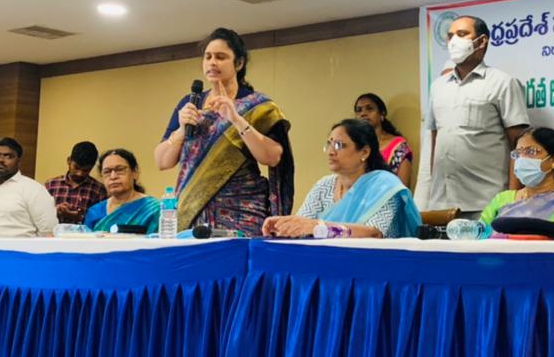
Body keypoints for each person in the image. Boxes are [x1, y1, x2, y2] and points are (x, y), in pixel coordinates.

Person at [155, 28, 294, 236]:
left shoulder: (258, 106)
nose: (212, 63)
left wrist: (236, 120)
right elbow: (162, 162)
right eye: (208, 57)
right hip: (193, 212)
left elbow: (273, 157)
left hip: (241, 214)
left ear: (239, 63)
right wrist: (181, 131)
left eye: (220, 57)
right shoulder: (189, 104)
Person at [425, 15, 530, 216]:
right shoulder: (437, 87)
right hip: (442, 203)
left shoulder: (502, 83)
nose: (454, 41)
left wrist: (511, 199)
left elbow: (519, 145)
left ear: (481, 41)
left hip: (485, 203)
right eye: (450, 36)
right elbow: (436, 141)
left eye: (462, 34)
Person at [263, 118, 420, 238]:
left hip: (375, 264)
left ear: (365, 152)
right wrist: (284, 224)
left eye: (339, 145)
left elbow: (373, 233)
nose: (331, 152)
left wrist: (319, 227)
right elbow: (304, 224)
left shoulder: (384, 186)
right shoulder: (324, 186)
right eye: (329, 144)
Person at [479, 126, 554, 226]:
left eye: (531, 152)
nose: (522, 159)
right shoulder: (502, 200)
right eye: (518, 154)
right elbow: (478, 232)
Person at [83, 148, 161, 234]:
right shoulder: (95, 212)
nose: (113, 177)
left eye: (120, 170)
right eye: (107, 172)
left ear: (135, 173)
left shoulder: (153, 209)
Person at [354, 92, 414, 188]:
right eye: (359, 110)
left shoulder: (399, 147)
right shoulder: (354, 146)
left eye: (369, 108)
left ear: (382, 114)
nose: (363, 113)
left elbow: (403, 189)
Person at [43, 140, 107, 225]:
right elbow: (39, 215)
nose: (80, 173)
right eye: (76, 167)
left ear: (92, 167)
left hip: (84, 233)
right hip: (53, 232)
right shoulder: (51, 185)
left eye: (86, 170)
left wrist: (82, 218)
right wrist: (54, 211)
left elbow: (102, 223)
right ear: (69, 161)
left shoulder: (99, 190)